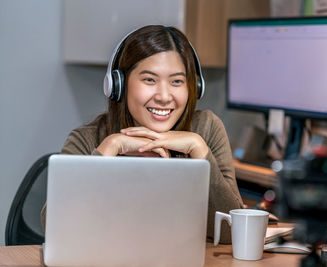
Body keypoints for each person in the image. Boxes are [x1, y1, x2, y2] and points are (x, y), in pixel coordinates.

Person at [42, 25, 243, 243]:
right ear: (118, 85)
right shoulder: (89, 139)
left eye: (177, 81)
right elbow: (56, 227)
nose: (164, 96)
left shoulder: (206, 129)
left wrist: (198, 148)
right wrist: (109, 148)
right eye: (149, 80)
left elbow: (234, 233)